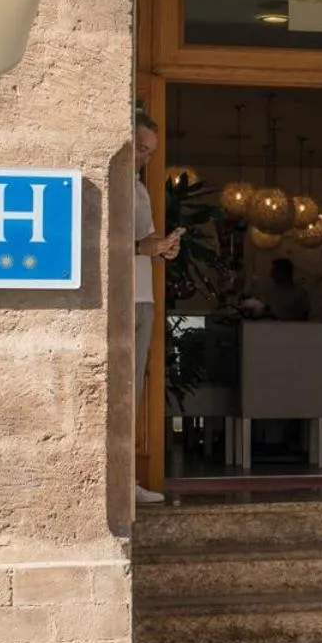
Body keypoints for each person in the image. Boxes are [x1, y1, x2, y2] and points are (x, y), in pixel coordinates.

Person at [133, 113, 181, 506]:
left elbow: (143, 239)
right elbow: (94, 241)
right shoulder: (112, 184)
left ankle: (124, 481)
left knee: (133, 390)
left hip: (143, 297)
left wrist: (161, 248)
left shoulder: (140, 189)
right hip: (122, 300)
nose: (145, 158)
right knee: (120, 390)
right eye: (140, 148)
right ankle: (118, 484)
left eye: (150, 152)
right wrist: (142, 248)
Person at [249, 256, 311, 321]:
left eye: (274, 271)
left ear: (283, 272)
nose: (271, 275)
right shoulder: (272, 290)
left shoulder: (299, 292)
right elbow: (267, 307)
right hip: (272, 328)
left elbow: (304, 316)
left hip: (293, 329)